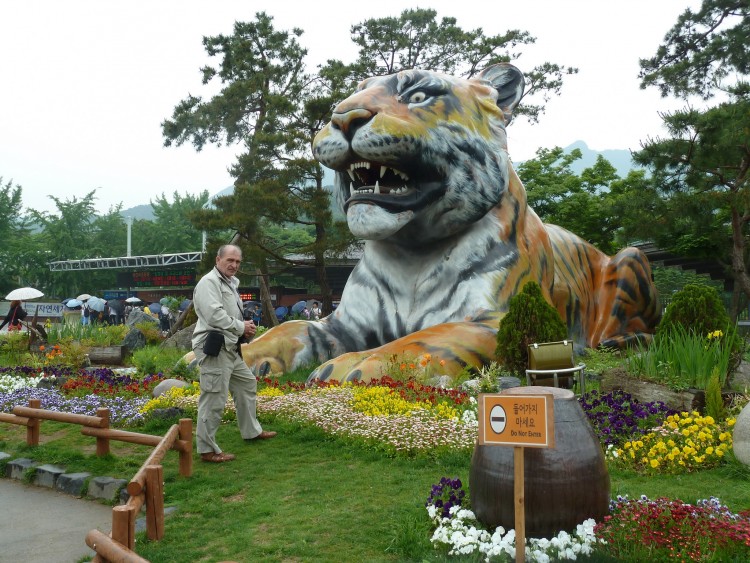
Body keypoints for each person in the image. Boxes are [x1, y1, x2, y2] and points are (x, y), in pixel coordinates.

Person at [192, 244, 276, 463]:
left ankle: (251, 431)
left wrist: (243, 328)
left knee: (247, 383)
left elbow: (226, 314)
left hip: (228, 347)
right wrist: (241, 327)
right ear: (218, 259)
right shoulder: (209, 282)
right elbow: (214, 315)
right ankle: (207, 450)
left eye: (238, 262)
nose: (234, 265)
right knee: (214, 397)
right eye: (230, 260)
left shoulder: (229, 283)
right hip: (214, 348)